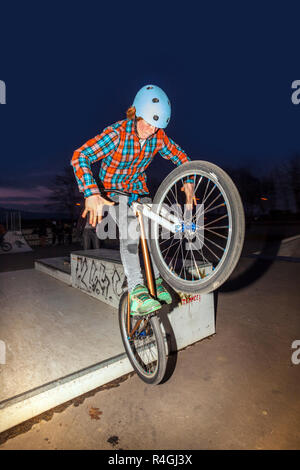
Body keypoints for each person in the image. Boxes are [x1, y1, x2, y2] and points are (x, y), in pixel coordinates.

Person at [71, 84, 194, 315]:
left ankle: (156, 281)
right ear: (135, 113)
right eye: (147, 122)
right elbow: (80, 156)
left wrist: (188, 181)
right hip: (111, 192)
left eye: (156, 126)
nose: (150, 130)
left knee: (153, 231)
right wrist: (91, 192)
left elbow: (180, 156)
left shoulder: (159, 137)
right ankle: (137, 290)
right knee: (130, 228)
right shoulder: (117, 133)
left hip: (139, 190)